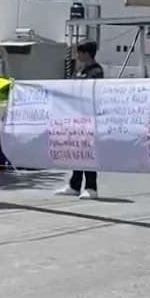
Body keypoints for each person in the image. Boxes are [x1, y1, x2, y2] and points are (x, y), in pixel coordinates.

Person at [55, 41, 105, 199]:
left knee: (88, 152)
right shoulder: (80, 70)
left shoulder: (96, 71)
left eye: (79, 53)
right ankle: (74, 185)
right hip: (76, 116)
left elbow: (90, 91)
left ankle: (91, 187)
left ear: (86, 54)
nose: (76, 56)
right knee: (77, 151)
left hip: (89, 117)